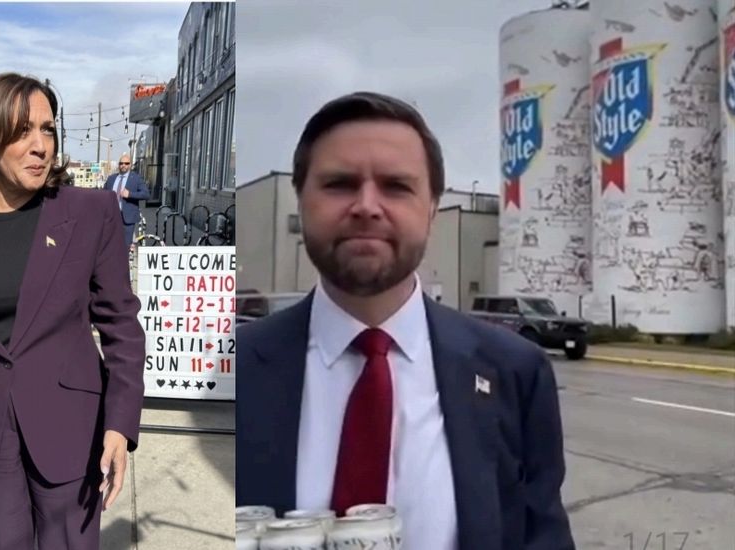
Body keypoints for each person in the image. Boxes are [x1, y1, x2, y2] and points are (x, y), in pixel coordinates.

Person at [235, 92, 575, 550]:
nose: (367, 206)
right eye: (339, 183)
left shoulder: (516, 371)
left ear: (433, 208)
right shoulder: (238, 366)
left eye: (396, 186)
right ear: (301, 199)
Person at [0, 72, 145, 550]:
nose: (41, 145)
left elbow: (121, 327)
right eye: (22, 131)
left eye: (48, 128)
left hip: (69, 424)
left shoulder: (90, 213)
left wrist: (120, 425)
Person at [102, 153, 149, 249]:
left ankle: (124, 263)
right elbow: (103, 194)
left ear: (130, 165)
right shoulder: (111, 179)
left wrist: (130, 194)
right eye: (121, 163)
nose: (123, 165)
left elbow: (146, 194)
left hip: (128, 217)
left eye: (126, 163)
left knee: (125, 246)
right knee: (111, 244)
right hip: (112, 216)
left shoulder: (136, 178)